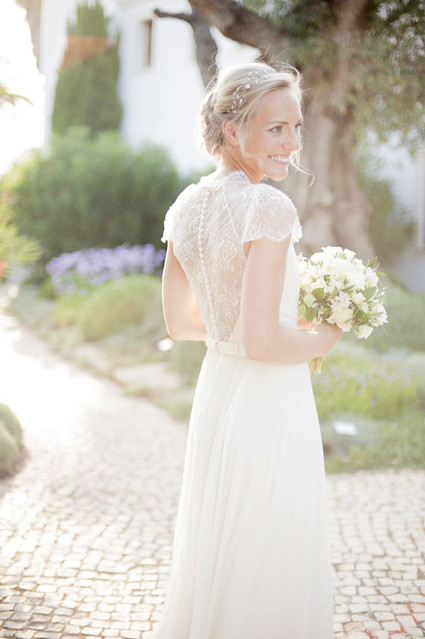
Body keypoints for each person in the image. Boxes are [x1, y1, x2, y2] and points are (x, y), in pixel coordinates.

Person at [158, 61, 343, 639]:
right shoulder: (268, 208)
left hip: (218, 393)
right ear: (232, 130)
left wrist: (262, 329)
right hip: (269, 402)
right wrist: (326, 335)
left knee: (224, 542)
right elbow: (263, 342)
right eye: (275, 129)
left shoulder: (187, 206)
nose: (292, 143)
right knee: (270, 547)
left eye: (296, 127)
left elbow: (181, 324)